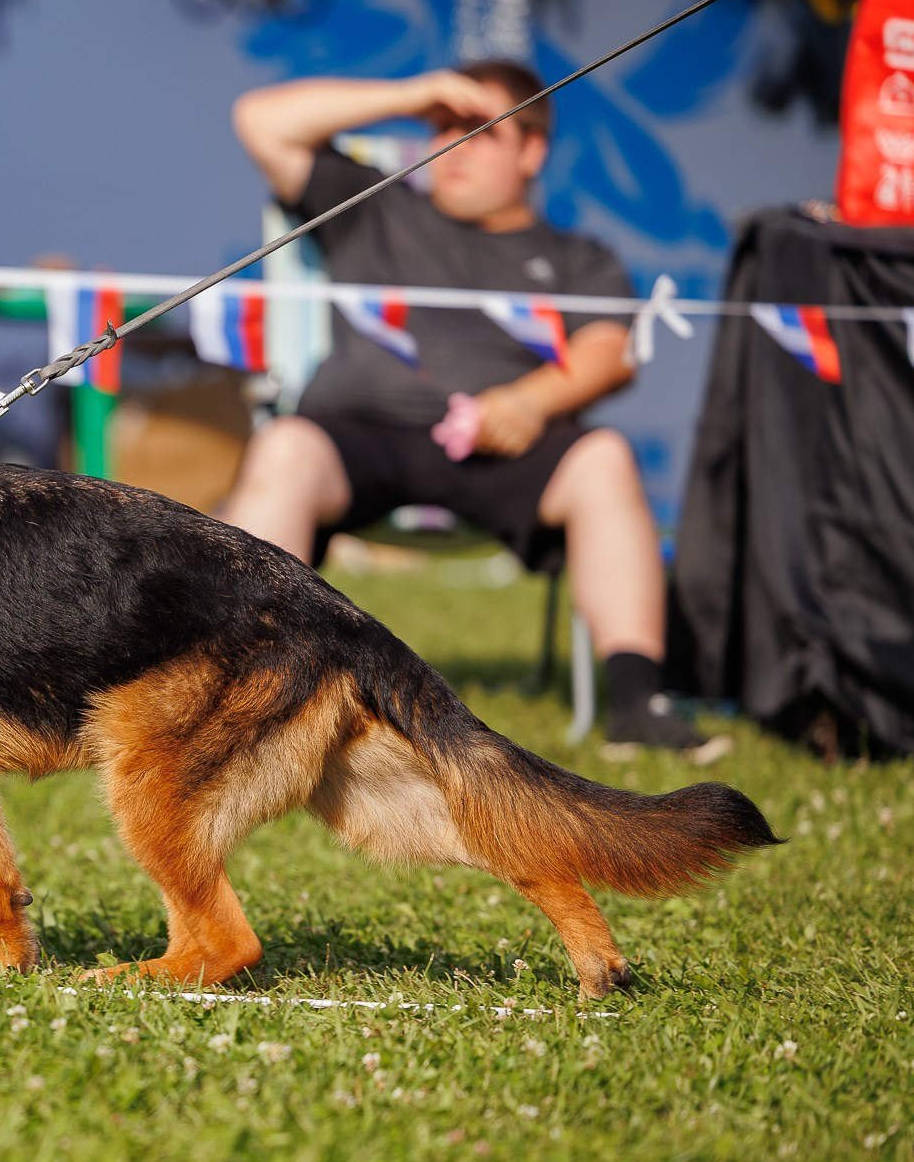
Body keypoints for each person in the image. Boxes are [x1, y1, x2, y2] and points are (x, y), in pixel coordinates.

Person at [221, 61, 725, 759]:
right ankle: (235, 687)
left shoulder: (576, 256)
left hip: (506, 443)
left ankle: (639, 702)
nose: (453, 146)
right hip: (359, 434)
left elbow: (612, 349)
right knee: (284, 447)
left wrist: (529, 399)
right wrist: (411, 94)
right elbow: (260, 120)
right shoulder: (376, 203)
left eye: (481, 131)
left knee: (603, 457)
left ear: (533, 151)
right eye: (441, 127)